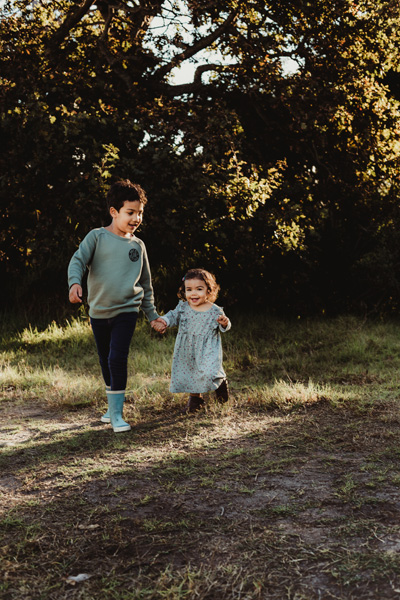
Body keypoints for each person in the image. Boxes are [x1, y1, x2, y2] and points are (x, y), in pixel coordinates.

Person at [68, 179, 160, 433]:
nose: (136, 218)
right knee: (105, 359)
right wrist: (75, 284)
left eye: (140, 213)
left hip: (126, 311)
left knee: (117, 357)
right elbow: (78, 261)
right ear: (114, 212)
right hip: (98, 312)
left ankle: (118, 415)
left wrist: (152, 315)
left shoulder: (138, 245)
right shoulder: (96, 237)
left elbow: (146, 283)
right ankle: (111, 407)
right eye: (130, 212)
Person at [154, 268, 231, 413]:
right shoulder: (183, 307)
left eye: (199, 289)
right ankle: (195, 400)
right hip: (187, 349)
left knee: (208, 372)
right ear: (184, 291)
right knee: (191, 373)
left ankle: (220, 383)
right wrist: (163, 321)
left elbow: (225, 326)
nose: (193, 293)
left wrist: (224, 323)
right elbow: (172, 316)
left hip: (207, 349)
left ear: (209, 290)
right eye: (189, 289)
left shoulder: (215, 310)